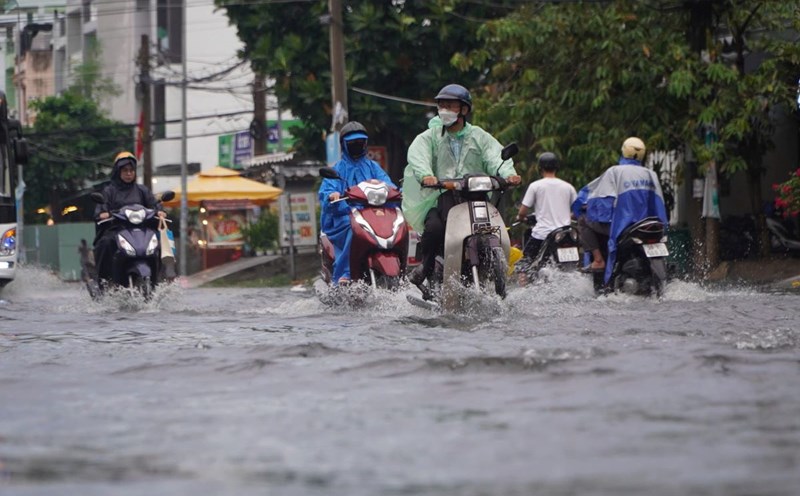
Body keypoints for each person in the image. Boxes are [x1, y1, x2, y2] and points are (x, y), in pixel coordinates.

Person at [403, 83, 521, 290]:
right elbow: (418, 155)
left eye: (450, 106)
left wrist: (508, 174)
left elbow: (495, 156)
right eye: (442, 106)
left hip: (476, 196)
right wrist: (427, 175)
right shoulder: (429, 137)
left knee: (492, 227)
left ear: (464, 110)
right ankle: (427, 266)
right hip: (445, 196)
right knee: (434, 227)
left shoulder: (479, 136)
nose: (444, 111)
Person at [571, 137, 668, 282]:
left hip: (622, 225)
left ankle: (598, 260)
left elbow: (600, 198)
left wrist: (585, 207)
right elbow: (658, 202)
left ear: (624, 151)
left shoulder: (615, 172)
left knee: (583, 220)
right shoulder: (650, 174)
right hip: (649, 225)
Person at [318, 121, 396, 286]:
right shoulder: (337, 169)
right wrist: (331, 196)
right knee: (353, 227)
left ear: (365, 143)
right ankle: (345, 273)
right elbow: (326, 192)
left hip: (372, 215)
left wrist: (396, 191)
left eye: (360, 142)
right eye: (352, 143)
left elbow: (388, 184)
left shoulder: (373, 167)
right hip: (344, 216)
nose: (357, 145)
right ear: (344, 145)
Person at [93, 151, 165, 288]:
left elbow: (154, 204)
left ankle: (159, 280)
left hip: (141, 231)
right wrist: (103, 213)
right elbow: (101, 209)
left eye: (131, 170)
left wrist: (160, 212)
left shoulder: (143, 190)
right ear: (118, 171)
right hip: (116, 231)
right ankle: (103, 282)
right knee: (106, 243)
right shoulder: (109, 191)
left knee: (157, 244)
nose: (129, 173)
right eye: (125, 170)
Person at [515, 152, 577, 260]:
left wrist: (520, 218)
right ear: (557, 167)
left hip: (543, 234)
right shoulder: (568, 187)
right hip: (565, 235)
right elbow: (577, 211)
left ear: (540, 168)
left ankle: (523, 277)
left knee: (524, 265)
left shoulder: (535, 186)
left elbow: (522, 212)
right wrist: (568, 216)